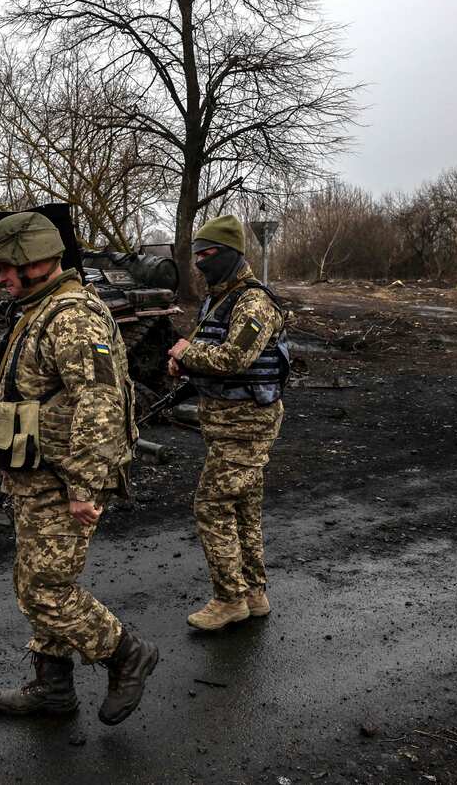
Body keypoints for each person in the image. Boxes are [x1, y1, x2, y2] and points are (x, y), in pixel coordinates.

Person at [0, 211, 159, 726]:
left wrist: (85, 485)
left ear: (34, 260)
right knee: (33, 579)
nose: (0, 278)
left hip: (64, 480)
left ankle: (127, 654)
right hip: (37, 475)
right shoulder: (40, 309)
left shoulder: (73, 315)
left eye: (5, 268)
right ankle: (53, 687)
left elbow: (99, 404)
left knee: (46, 588)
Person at [167, 215, 290, 631]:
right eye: (196, 254)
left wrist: (186, 353)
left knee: (211, 504)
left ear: (231, 253)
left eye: (208, 254)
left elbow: (236, 358)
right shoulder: (221, 298)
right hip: (226, 425)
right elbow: (209, 349)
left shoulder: (253, 302)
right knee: (243, 510)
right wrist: (184, 362)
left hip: (246, 425)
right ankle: (253, 593)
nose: (200, 262)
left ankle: (228, 599)